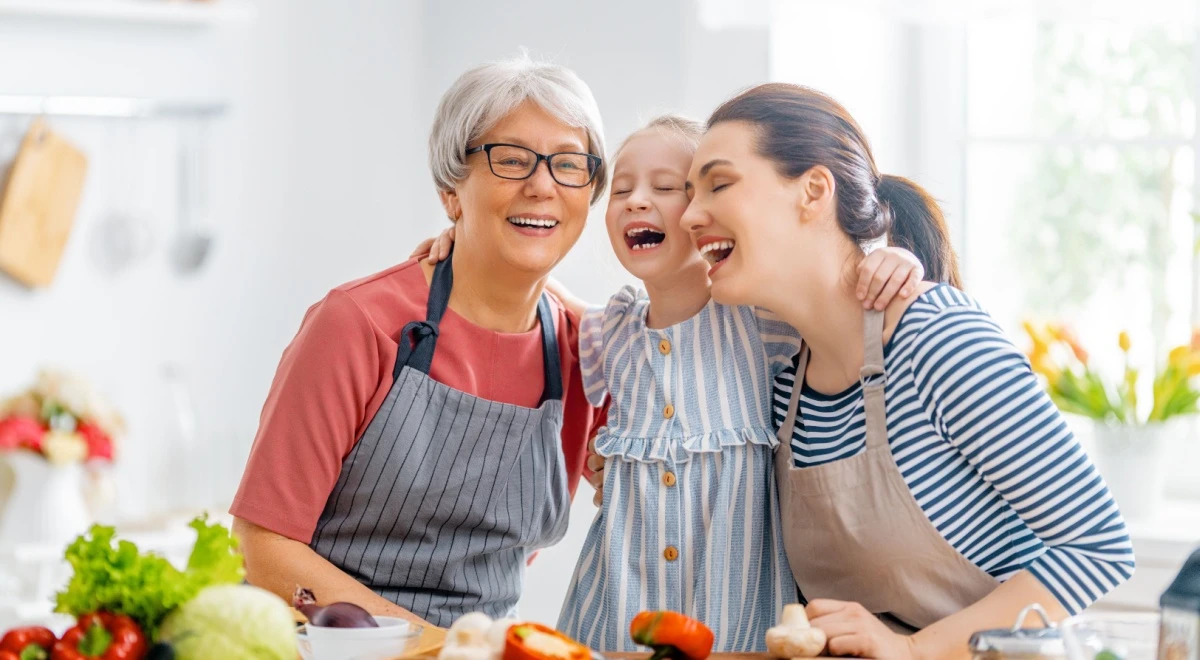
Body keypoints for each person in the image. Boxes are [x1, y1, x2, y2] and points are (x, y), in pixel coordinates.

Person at [419, 114, 924, 651]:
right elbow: (540, 292)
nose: (638, 201)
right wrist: (468, 238)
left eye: (667, 188)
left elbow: (832, 292)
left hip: (735, 614)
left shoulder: (760, 322)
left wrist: (889, 258)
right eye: (622, 188)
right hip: (616, 611)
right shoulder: (609, 331)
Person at [679, 82, 1135, 659]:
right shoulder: (784, 381)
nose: (691, 215)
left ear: (813, 191)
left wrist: (917, 650)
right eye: (691, 193)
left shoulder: (936, 336)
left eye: (719, 184)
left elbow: (1097, 548)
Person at [229, 54, 610, 628]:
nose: (542, 185)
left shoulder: (584, 352)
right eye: (510, 160)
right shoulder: (357, 324)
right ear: (450, 191)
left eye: (568, 164)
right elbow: (263, 546)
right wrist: (429, 645)